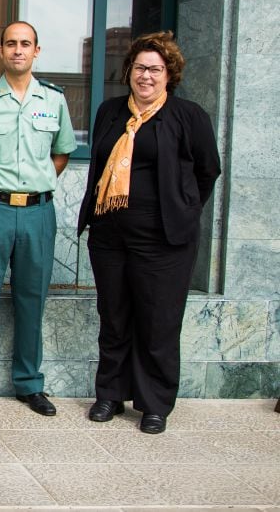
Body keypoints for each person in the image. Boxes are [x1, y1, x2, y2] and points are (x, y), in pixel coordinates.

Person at [77, 31, 220, 434]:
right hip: (109, 237)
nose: (146, 76)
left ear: (168, 75)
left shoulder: (189, 116)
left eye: (155, 69)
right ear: (130, 71)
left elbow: (208, 171)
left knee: (157, 322)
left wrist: (184, 211)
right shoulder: (109, 112)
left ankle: (155, 403)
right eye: (140, 67)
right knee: (115, 316)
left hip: (164, 242)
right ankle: (109, 395)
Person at [0, 21, 78, 417]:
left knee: (31, 300)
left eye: (25, 44)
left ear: (37, 51)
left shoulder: (54, 99)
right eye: (11, 44)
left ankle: (29, 383)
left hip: (38, 213)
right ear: (0, 50)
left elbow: (60, 154)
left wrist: (33, 187)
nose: (18, 50)